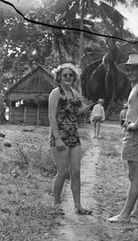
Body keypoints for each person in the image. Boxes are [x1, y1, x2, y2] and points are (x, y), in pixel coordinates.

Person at [108, 54, 138, 223]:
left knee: (135, 176)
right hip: (136, 134)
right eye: (128, 69)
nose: (130, 72)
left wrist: (135, 124)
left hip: (136, 134)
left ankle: (125, 214)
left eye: (134, 69)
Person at [48, 63, 92, 215]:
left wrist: (83, 110)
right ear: (59, 77)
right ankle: (56, 204)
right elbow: (51, 116)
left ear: (74, 78)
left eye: (71, 75)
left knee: (76, 172)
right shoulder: (56, 93)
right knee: (62, 171)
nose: (68, 77)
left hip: (74, 135)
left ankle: (78, 206)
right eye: (65, 75)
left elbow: (76, 113)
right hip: (60, 136)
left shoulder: (74, 93)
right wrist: (58, 138)